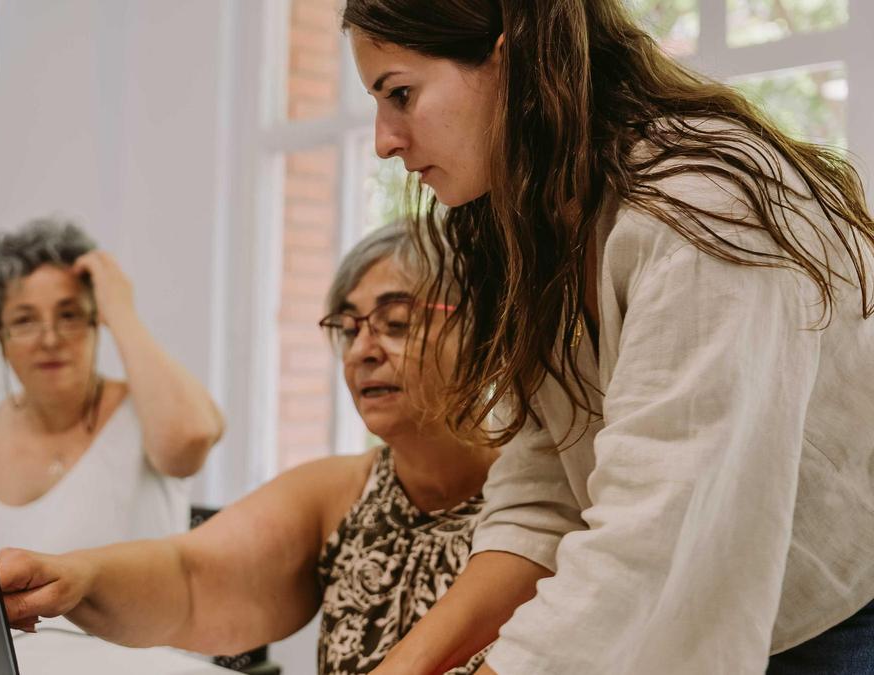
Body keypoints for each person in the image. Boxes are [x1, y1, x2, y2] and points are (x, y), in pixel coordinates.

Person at [338, 2, 874, 674]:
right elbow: (543, 501)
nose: (385, 140)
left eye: (401, 94)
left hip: (833, 627)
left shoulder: (707, 208)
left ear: (509, 61)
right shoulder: (551, 222)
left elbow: (658, 530)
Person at [0, 224, 500, 675]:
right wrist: (79, 576)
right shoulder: (338, 491)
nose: (363, 350)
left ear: (481, 329)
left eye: (396, 323)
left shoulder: (544, 498)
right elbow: (190, 578)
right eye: (347, 329)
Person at [0, 218, 223, 552]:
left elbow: (191, 440)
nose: (50, 339)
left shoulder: (143, 413)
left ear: (97, 321)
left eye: (69, 315)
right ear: (0, 336)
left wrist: (120, 309)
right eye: (25, 320)